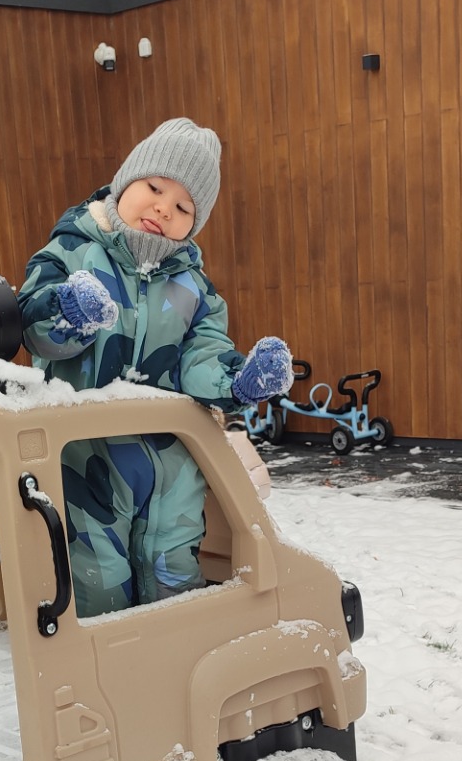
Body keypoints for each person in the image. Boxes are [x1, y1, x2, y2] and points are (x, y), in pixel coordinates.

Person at [17, 117, 293, 618]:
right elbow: (35, 326)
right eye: (155, 187)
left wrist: (238, 380)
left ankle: (180, 653)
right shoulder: (71, 253)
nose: (164, 208)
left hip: (171, 461)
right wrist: (69, 314)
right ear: (124, 183)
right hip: (86, 457)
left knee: (175, 571)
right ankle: (106, 657)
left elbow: (201, 354)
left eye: (184, 207)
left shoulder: (193, 287)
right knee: (98, 578)